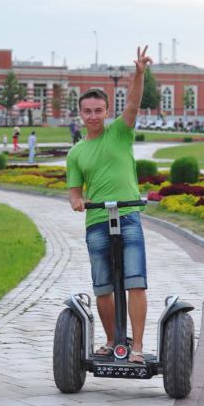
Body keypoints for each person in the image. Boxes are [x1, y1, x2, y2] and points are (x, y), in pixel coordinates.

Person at [66, 46, 152, 365]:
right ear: (81, 114)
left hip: (128, 216)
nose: (93, 116)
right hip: (98, 221)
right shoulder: (76, 152)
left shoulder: (120, 132)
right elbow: (75, 190)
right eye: (87, 111)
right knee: (103, 286)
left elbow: (132, 102)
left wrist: (139, 73)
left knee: (134, 281)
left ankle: (138, 347)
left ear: (106, 111)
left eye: (98, 110)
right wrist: (77, 201)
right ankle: (116, 341)